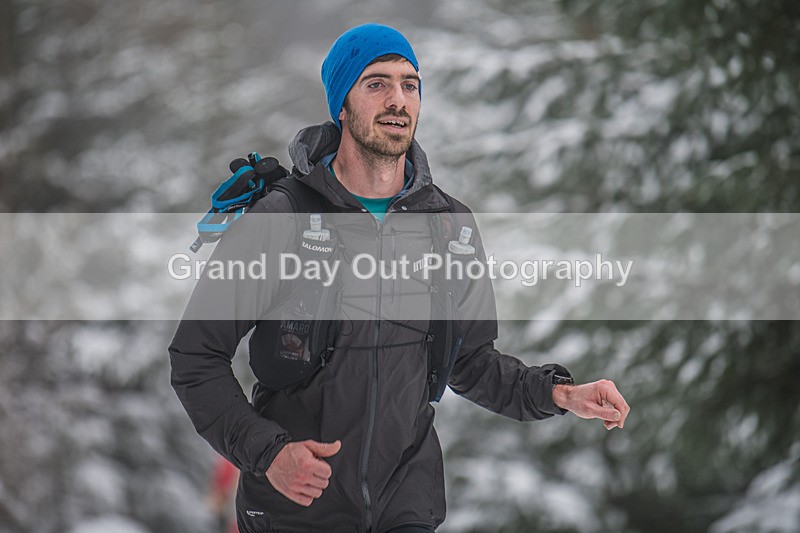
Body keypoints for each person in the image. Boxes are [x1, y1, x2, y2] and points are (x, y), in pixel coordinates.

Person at [170, 23, 630, 533]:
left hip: (406, 509)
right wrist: (269, 455)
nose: (398, 100)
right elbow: (195, 358)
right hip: (296, 512)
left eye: (410, 84)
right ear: (341, 105)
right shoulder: (283, 219)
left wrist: (560, 394)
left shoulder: (449, 227)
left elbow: (470, 362)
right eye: (376, 83)